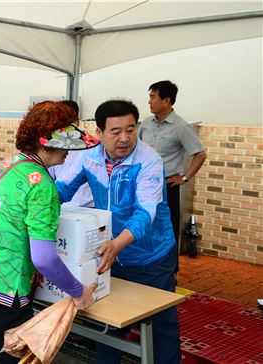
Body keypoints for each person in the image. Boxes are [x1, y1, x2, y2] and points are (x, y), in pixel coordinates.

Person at [0, 101, 97, 363]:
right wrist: (78, 292)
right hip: (2, 289)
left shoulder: (11, 163)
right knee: (18, 357)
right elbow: (43, 258)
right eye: (65, 143)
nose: (68, 152)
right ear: (46, 143)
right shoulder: (42, 185)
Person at [55, 99, 179, 364]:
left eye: (131, 129)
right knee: (108, 321)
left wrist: (117, 244)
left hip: (151, 255)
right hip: (110, 252)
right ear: (98, 133)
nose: (125, 138)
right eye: (116, 131)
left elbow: (146, 213)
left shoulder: (149, 160)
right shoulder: (89, 157)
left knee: (160, 323)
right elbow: (62, 190)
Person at [139, 80, 207, 270]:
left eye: (153, 97)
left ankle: (170, 270)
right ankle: (146, 265)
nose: (149, 101)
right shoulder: (145, 124)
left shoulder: (182, 126)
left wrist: (184, 178)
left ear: (166, 100)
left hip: (167, 186)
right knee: (144, 224)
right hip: (144, 185)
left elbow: (200, 154)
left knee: (167, 229)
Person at [49, 100, 96, 208]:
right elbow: (49, 181)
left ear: (77, 122)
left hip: (91, 210)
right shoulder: (51, 150)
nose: (64, 129)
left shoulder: (94, 149)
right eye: (60, 123)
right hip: (62, 209)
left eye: (69, 123)